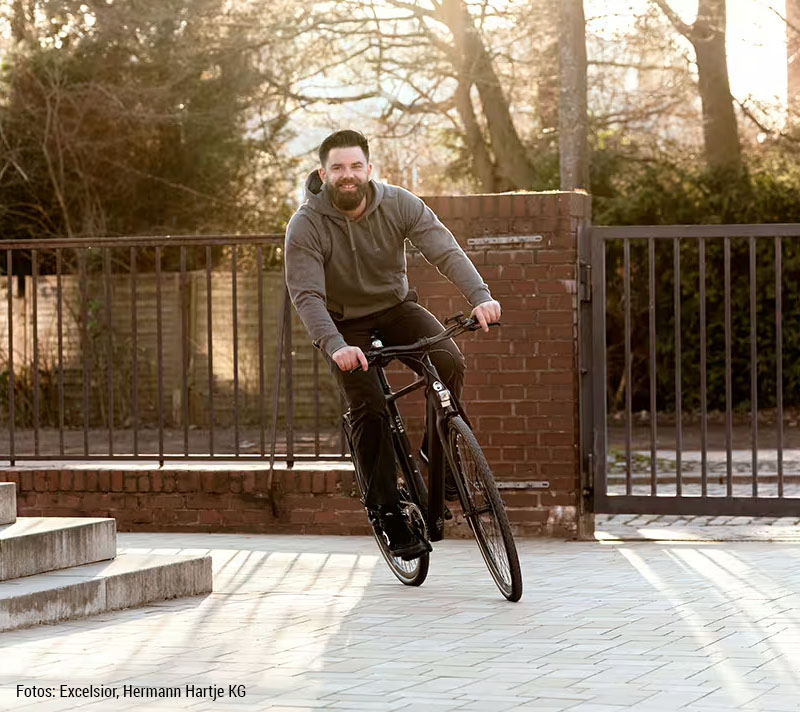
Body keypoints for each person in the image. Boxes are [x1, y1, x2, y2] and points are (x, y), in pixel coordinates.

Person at [285, 129, 501, 560]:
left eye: (355, 166)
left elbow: (445, 250)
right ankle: (387, 511)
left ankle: (435, 449)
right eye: (338, 168)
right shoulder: (306, 224)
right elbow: (307, 295)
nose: (348, 175)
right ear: (323, 174)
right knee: (369, 406)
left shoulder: (399, 203)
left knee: (448, 360)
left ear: (369, 168)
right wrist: (334, 345)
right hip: (345, 326)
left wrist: (480, 296)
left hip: (396, 308)